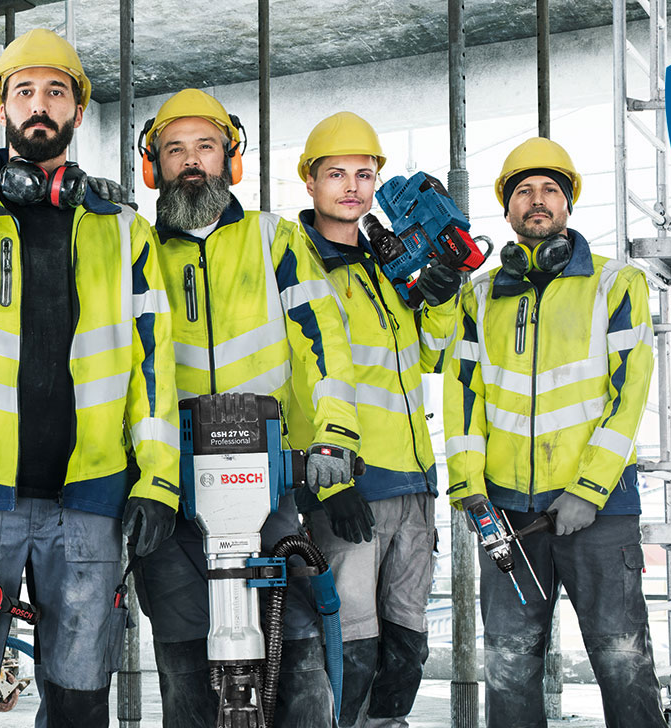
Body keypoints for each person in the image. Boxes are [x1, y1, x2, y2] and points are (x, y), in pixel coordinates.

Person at [0, 28, 178, 728]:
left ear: (78, 111)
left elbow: (151, 365)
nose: (40, 105)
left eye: (56, 91)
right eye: (25, 92)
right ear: (4, 108)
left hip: (92, 500)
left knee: (80, 702)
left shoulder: (123, 232)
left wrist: (159, 479)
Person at [133, 88, 364, 727]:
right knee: (184, 670)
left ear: (230, 159)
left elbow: (325, 344)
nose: (190, 162)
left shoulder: (276, 240)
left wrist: (334, 440)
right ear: (153, 166)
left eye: (205, 146)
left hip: (266, 490)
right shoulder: (135, 252)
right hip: (169, 489)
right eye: (173, 149)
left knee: (296, 660)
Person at [445, 137, 663, 728]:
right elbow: (463, 395)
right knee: (510, 665)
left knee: (622, 657)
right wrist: (468, 487)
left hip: (600, 511)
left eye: (549, 190)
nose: (536, 201)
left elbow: (629, 396)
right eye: (523, 192)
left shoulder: (616, 285)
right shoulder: (481, 295)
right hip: (508, 516)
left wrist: (587, 491)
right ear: (508, 210)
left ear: (567, 204)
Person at [295, 111, 466, 727]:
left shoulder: (387, 267)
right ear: (309, 183)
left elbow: (430, 354)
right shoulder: (298, 267)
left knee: (406, 652)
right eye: (335, 173)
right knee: (351, 652)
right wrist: (332, 481)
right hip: (351, 488)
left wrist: (443, 295)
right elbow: (298, 376)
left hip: (415, 485)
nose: (351, 187)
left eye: (364, 175)